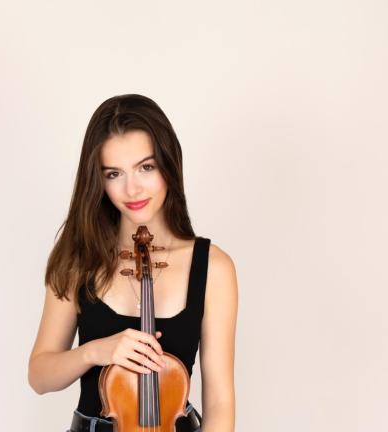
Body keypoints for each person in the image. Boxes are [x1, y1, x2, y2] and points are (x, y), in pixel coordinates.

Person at [28, 94, 238, 432]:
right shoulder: (79, 259)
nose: (132, 189)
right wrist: (95, 352)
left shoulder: (214, 268)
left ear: (169, 164)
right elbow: (39, 376)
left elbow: (219, 403)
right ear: (98, 181)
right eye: (114, 173)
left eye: (146, 167)